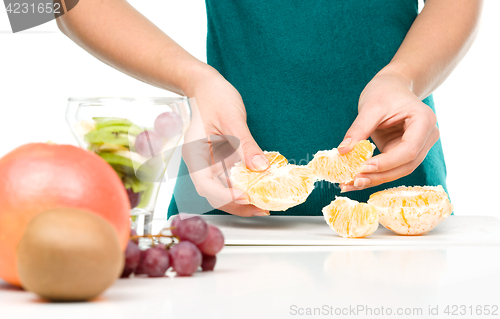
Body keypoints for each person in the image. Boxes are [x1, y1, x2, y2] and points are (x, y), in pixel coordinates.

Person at [57, 0, 483, 218]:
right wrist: (195, 80)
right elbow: (37, 5)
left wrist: (403, 78)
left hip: (397, 211)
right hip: (222, 205)